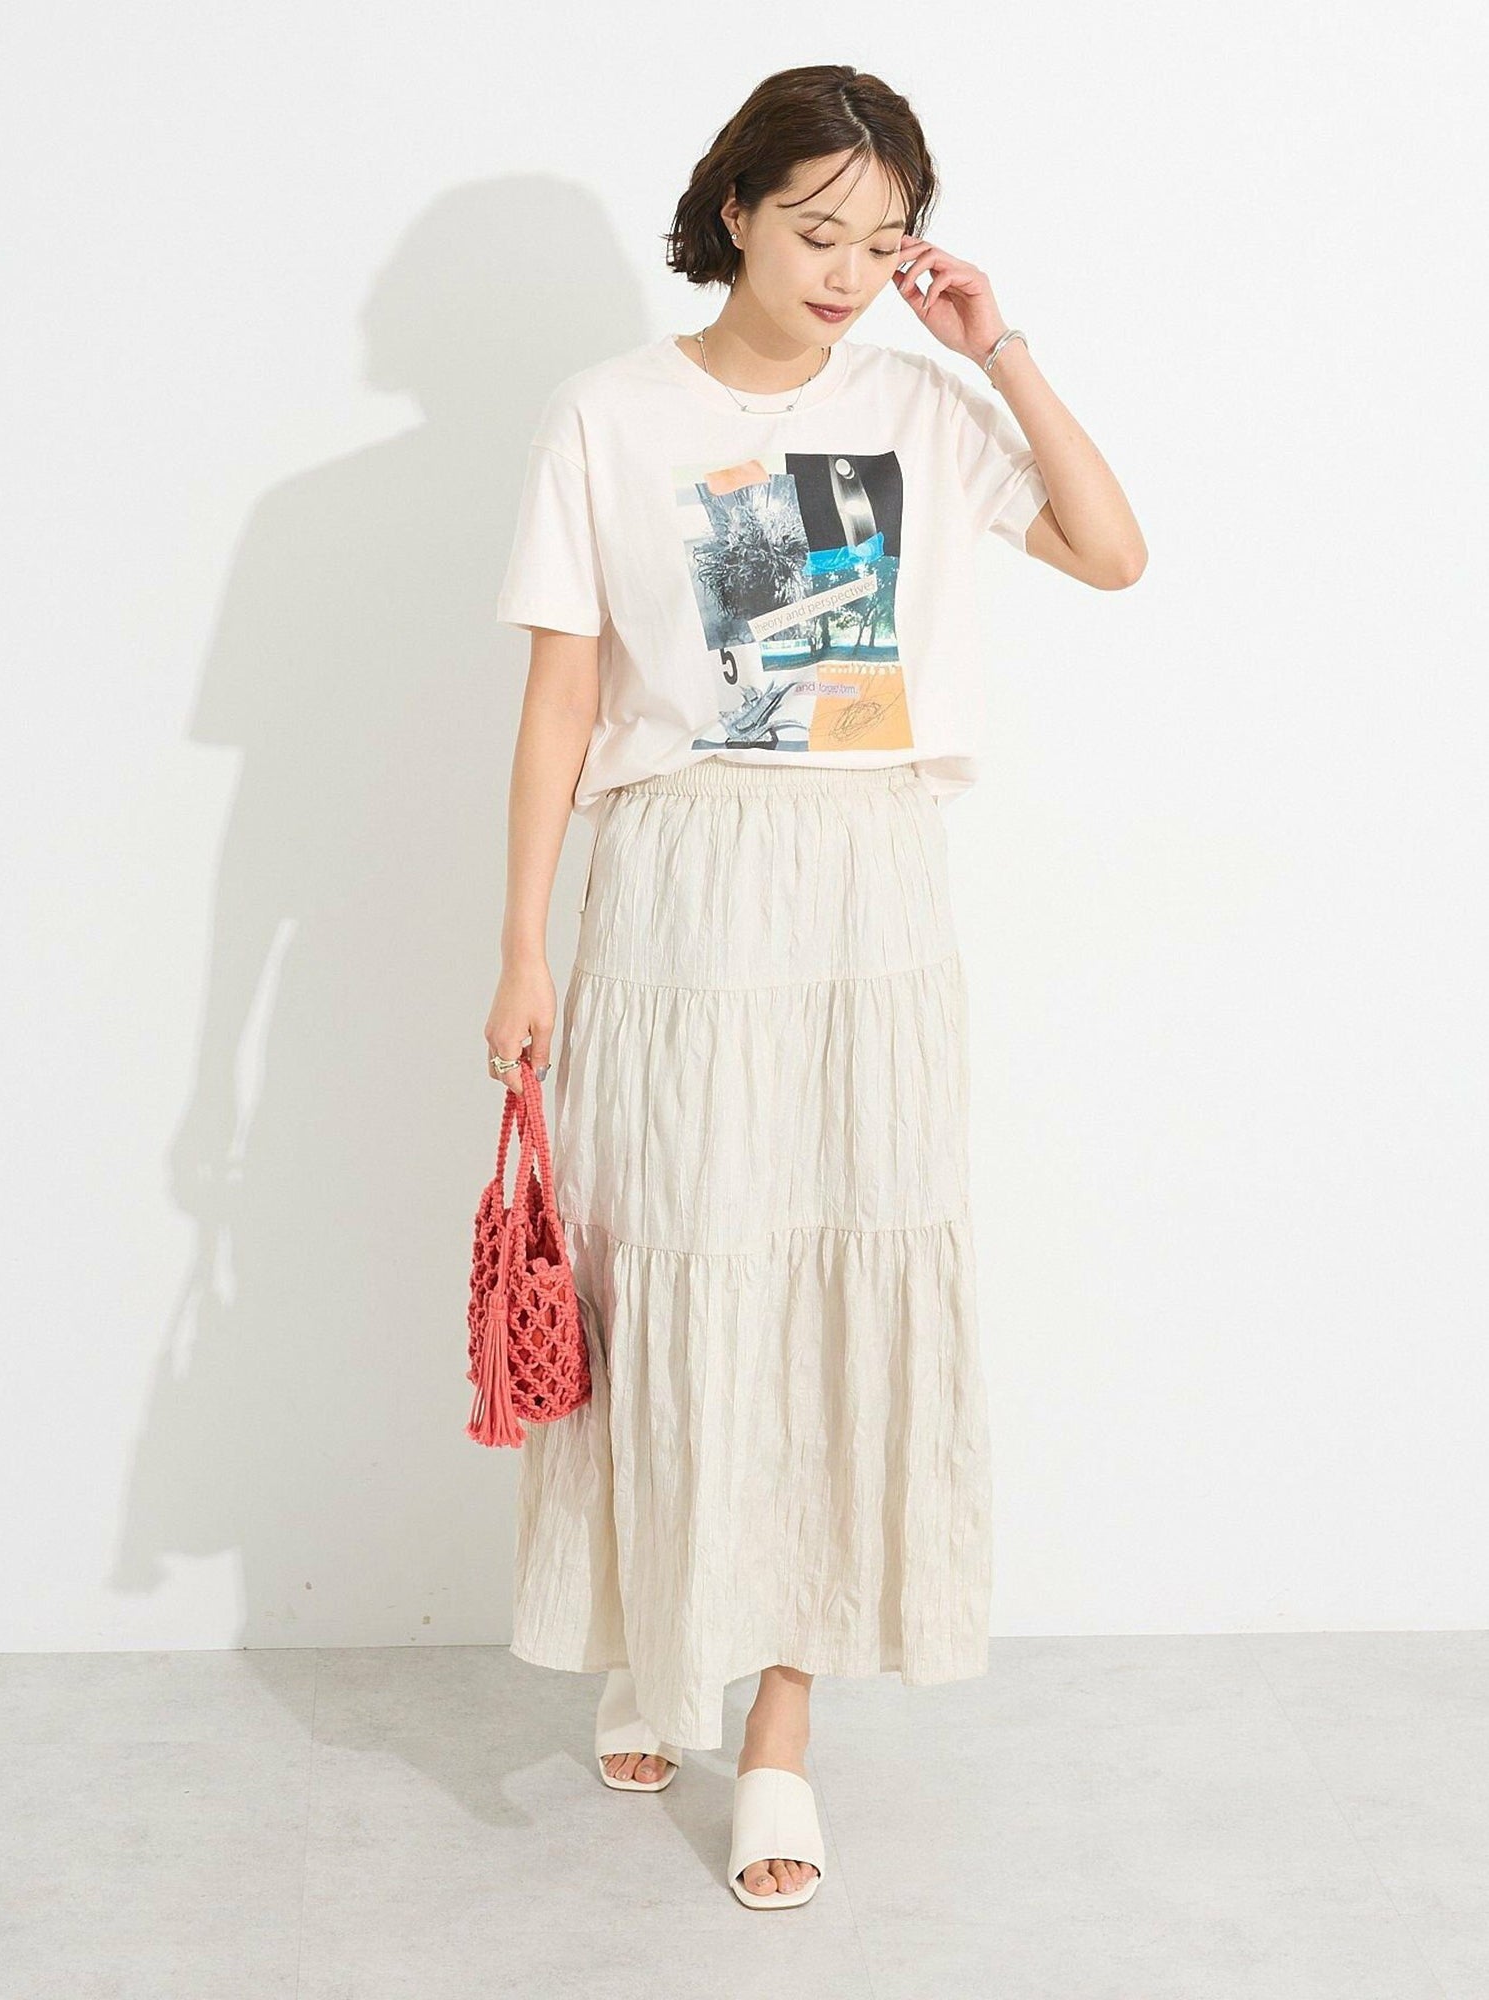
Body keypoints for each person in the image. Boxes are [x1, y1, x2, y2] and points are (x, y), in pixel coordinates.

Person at [483, 63, 1146, 1909]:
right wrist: (524, 942)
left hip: (865, 891)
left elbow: (1113, 553)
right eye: (816, 229)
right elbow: (559, 695)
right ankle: (660, 1634)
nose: (849, 272)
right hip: (680, 881)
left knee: (832, 1282)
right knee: (675, 1267)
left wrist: (998, 350)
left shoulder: (919, 405)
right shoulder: (611, 414)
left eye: (885, 238)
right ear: (736, 212)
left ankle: (777, 1726)